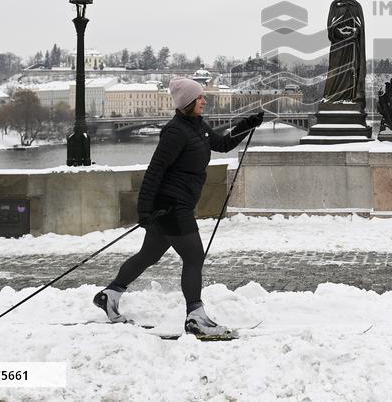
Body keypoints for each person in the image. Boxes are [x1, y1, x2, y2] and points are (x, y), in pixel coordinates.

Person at [93, 77, 264, 336]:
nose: (204, 101)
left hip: (176, 204)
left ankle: (111, 294)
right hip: (171, 206)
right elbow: (155, 170)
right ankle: (195, 316)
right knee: (194, 257)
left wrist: (246, 125)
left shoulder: (198, 127)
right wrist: (144, 210)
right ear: (188, 102)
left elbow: (223, 144)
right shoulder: (175, 132)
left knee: (148, 256)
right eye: (200, 98)